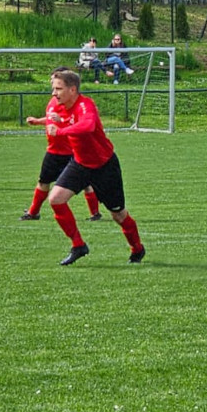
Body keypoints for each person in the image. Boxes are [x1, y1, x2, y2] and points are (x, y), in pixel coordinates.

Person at [45, 69, 145, 265]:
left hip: (104, 166)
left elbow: (88, 126)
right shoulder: (58, 106)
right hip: (80, 163)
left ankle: (137, 248)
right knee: (56, 199)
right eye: (53, 88)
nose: (54, 93)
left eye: (58, 89)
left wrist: (61, 130)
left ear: (72, 89)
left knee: (118, 214)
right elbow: (63, 122)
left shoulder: (85, 105)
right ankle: (78, 246)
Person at [22, 69, 103, 222]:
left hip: (71, 150)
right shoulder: (54, 101)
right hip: (53, 150)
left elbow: (78, 122)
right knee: (43, 181)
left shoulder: (72, 103)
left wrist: (62, 122)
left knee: (86, 184)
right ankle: (33, 212)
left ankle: (95, 213)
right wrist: (38, 121)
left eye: (57, 84)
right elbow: (50, 118)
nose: (53, 87)